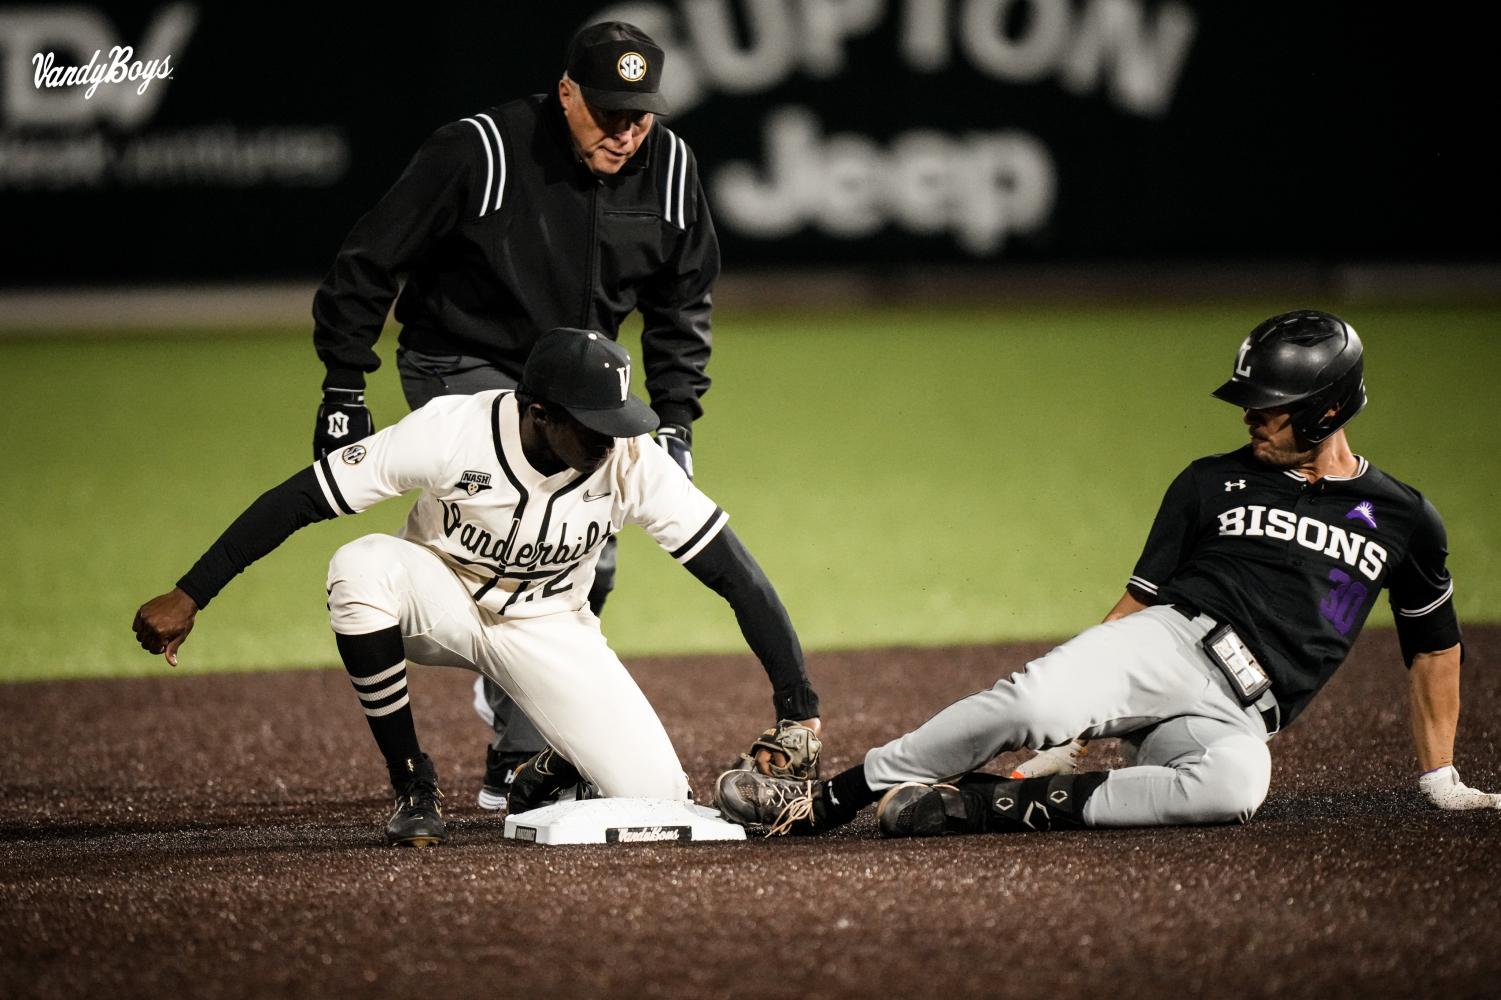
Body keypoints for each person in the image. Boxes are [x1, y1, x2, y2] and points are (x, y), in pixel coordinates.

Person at [715, 309, 1497, 839]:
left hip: (1240, 714)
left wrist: (1440, 778)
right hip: (1166, 645)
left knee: (1232, 791)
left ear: (1326, 411)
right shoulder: (1209, 482)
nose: (1249, 418)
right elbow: (1138, 604)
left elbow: (1432, 647)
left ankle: (983, 805)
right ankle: (825, 802)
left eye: (1269, 406)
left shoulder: (1403, 518)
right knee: (1032, 702)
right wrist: (1082, 708)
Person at [134, 328, 820, 847]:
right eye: (594, 424)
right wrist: (191, 592)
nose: (613, 440)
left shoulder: (631, 460)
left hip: (549, 626)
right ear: (539, 412)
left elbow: (736, 574)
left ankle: (548, 771)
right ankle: (411, 781)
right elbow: (303, 497)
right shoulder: (453, 431)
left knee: (659, 800)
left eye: (619, 421)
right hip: (438, 601)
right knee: (359, 566)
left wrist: (798, 705)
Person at [308, 20, 719, 810]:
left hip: (582, 385)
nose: (626, 132)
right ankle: (515, 739)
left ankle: (522, 737)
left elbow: (681, 304)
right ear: (565, 92)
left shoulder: (667, 170)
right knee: (529, 532)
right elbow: (369, 261)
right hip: (464, 361)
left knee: (587, 551)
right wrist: (342, 388)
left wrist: (676, 421)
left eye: (640, 115)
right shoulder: (481, 149)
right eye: (607, 112)